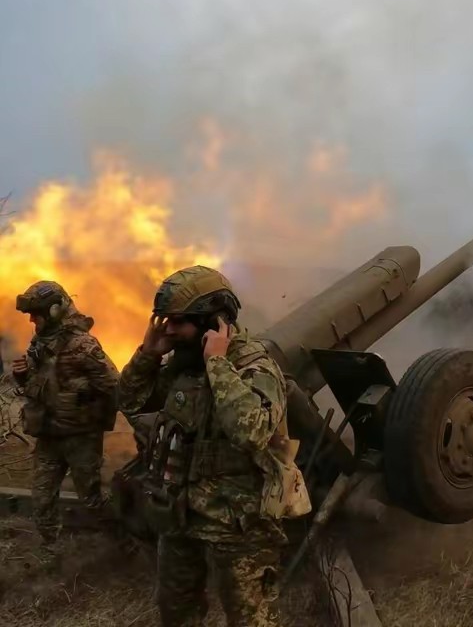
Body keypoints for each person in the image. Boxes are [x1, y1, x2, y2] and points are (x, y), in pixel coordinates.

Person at [115, 265, 303, 627]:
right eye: (164, 320)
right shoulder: (182, 365)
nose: (169, 329)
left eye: (178, 321)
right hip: (180, 510)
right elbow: (129, 400)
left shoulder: (254, 365)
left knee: (250, 618)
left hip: (238, 519)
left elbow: (253, 431)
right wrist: (148, 355)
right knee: (176, 610)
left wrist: (217, 363)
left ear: (214, 321)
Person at [10, 281, 119, 559]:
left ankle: (124, 543)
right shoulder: (40, 341)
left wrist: (89, 406)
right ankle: (51, 552)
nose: (32, 320)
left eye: (36, 313)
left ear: (55, 309)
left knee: (92, 499)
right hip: (49, 435)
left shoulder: (84, 345)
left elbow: (113, 385)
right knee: (42, 498)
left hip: (80, 437)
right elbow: (39, 384)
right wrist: (24, 376)